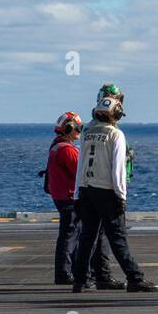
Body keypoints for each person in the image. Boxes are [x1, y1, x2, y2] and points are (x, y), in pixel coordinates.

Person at [71, 85, 158, 292]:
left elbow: (81, 164)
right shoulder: (115, 135)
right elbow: (118, 168)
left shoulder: (86, 132)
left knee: (87, 236)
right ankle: (135, 278)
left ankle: (80, 280)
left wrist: (77, 192)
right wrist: (121, 196)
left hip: (86, 189)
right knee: (117, 237)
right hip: (106, 192)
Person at [43, 111, 117, 288]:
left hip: (60, 196)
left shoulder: (56, 146)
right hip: (69, 197)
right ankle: (65, 273)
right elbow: (81, 170)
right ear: (69, 128)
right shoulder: (67, 150)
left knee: (69, 235)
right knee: (71, 235)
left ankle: (67, 271)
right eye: (78, 128)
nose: (79, 132)